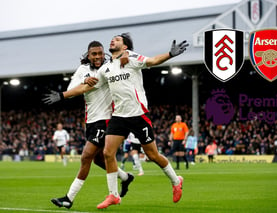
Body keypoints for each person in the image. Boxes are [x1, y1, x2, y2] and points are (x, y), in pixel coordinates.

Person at [57, 33, 189, 209]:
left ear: (125, 47)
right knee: (107, 154)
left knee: (152, 155)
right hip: (119, 116)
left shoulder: (132, 58)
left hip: (138, 115)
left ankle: (176, 180)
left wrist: (170, 54)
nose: (113, 40)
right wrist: (62, 95)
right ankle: (113, 195)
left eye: (118, 40)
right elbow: (86, 87)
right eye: (112, 39)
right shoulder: (105, 69)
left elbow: (153, 61)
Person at [44, 41, 134, 209]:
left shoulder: (109, 68)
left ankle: (69, 198)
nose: (98, 57)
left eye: (100, 53)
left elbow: (127, 58)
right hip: (91, 121)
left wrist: (127, 54)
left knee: (86, 156)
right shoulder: (82, 71)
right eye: (94, 54)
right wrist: (85, 80)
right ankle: (125, 177)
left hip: (107, 119)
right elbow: (71, 90)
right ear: (88, 55)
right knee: (98, 159)